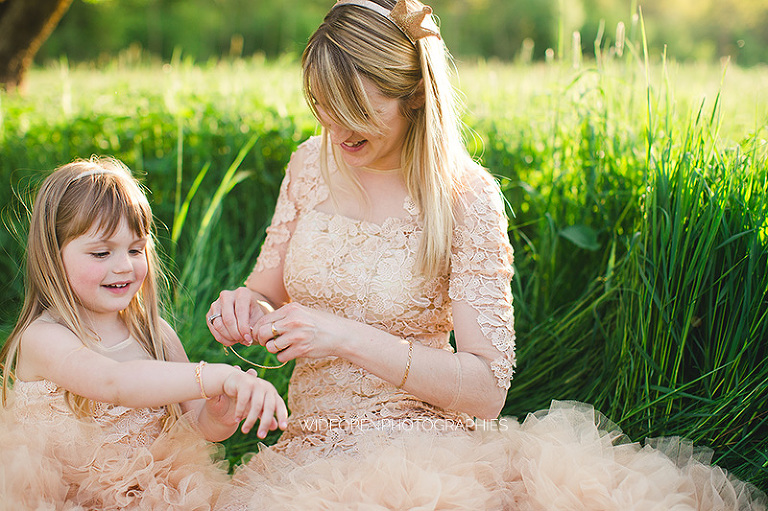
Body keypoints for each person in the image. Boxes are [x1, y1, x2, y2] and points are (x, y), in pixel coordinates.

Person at [208, 0, 766, 508]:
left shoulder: (465, 197)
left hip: (417, 454)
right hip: (306, 445)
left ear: (412, 94)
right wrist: (243, 305)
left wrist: (343, 337)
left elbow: (486, 388)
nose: (335, 127)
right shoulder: (310, 163)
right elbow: (266, 287)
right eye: (321, 106)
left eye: (353, 107)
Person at [0, 157, 288, 510]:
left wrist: (218, 415)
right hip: (64, 498)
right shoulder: (43, 338)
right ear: (52, 255)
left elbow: (194, 425)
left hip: (152, 495)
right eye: (102, 252)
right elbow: (113, 382)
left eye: (135, 249)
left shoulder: (156, 336)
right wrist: (218, 375)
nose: (123, 265)